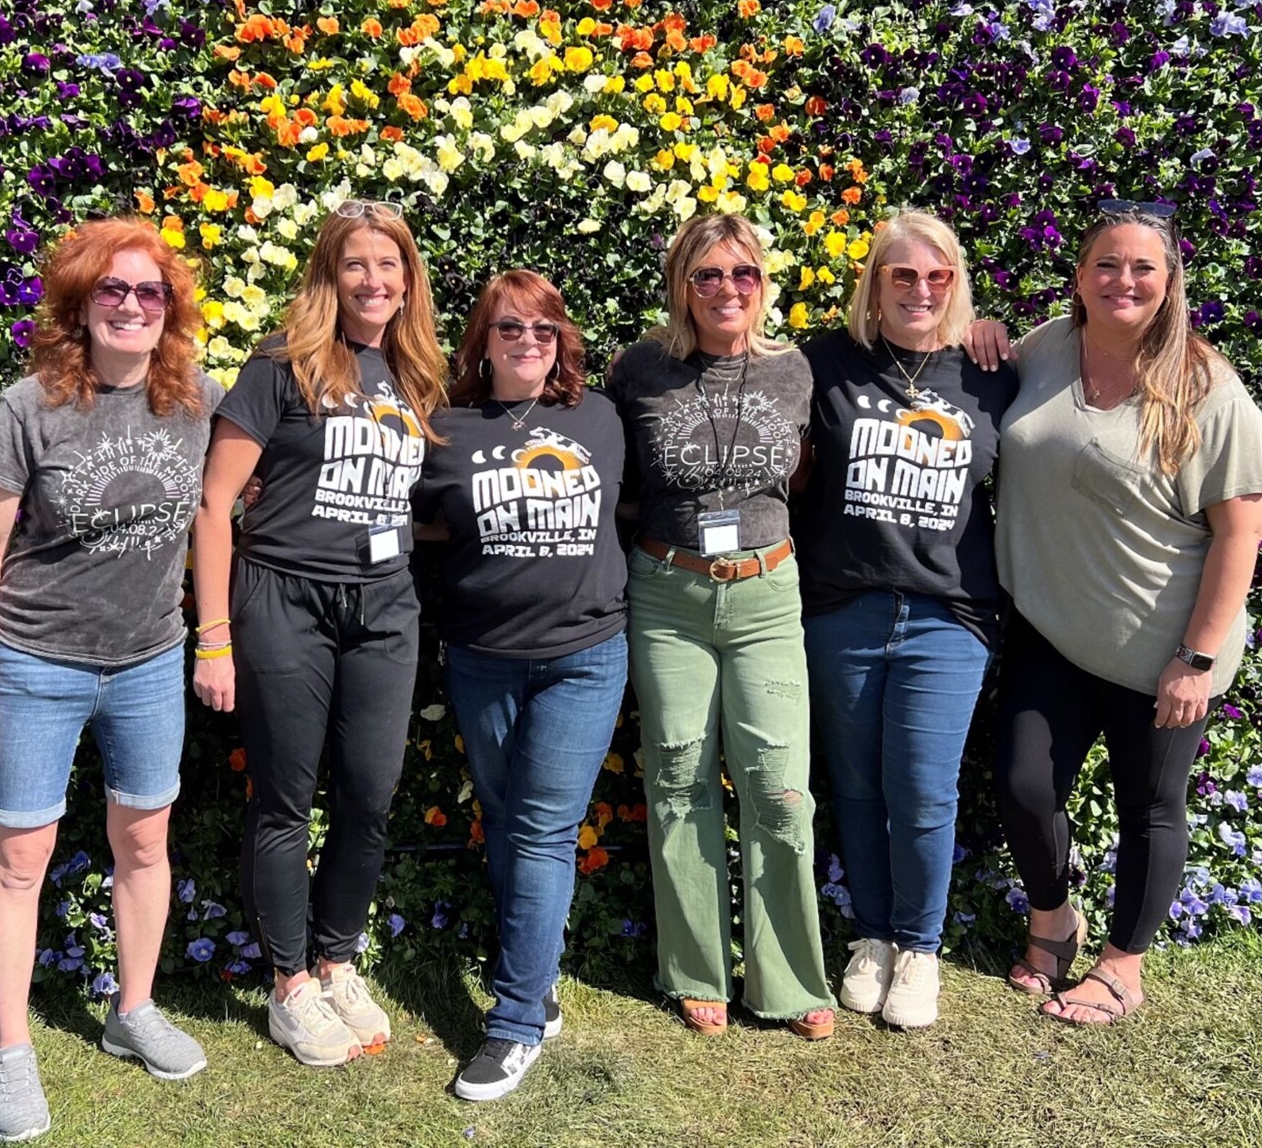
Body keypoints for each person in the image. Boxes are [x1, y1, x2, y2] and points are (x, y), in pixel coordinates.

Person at [0, 217, 220, 1142]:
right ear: (80, 304)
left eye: (150, 292)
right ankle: (12, 1050)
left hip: (149, 659)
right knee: (17, 860)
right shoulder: (31, 406)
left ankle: (131, 1010)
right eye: (113, 290)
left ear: (170, 309)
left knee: (145, 845)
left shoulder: (195, 400)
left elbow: (235, 499)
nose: (133, 306)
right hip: (34, 665)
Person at [990, 203, 1262, 1024]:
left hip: (1165, 648)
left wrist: (1199, 658)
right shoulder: (1046, 347)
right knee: (1023, 784)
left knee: (1150, 806)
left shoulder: (1208, 390)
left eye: (1143, 267)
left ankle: (1122, 967)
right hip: (1053, 630)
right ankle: (1053, 919)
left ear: (1170, 282)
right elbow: (986, 367)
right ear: (1078, 276)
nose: (1123, 280)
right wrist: (986, 331)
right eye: (1106, 263)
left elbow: (1243, 532)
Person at [191, 197, 445, 1065]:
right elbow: (215, 503)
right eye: (355, 265)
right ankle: (290, 985)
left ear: (408, 278)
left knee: (370, 798)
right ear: (328, 275)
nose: (374, 281)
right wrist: (214, 636)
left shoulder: (414, 374)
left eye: (389, 264)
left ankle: (337, 962)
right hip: (285, 601)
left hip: (384, 609)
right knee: (286, 804)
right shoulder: (281, 365)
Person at [607, 213, 834, 1039]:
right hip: (669, 594)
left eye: (741, 273)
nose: (725, 290)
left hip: (767, 594)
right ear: (681, 285)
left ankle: (789, 979)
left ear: (761, 282)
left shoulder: (796, 369)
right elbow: (616, 479)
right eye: (706, 275)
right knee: (677, 776)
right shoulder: (639, 370)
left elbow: (806, 472)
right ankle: (695, 967)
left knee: (779, 788)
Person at [794, 210, 1018, 1029]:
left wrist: (988, 329)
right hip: (843, 607)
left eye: (938, 276)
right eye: (902, 275)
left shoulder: (992, 370)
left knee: (923, 790)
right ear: (874, 284)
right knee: (853, 784)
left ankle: (921, 950)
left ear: (955, 283)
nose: (920, 290)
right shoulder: (824, 362)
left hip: (947, 617)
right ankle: (874, 936)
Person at [413, 270, 628, 1100]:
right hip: (483, 656)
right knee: (504, 817)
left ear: (561, 338)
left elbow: (638, 505)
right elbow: (416, 517)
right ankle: (535, 986)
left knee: (540, 829)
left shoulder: (601, 418)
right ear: (484, 340)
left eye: (543, 330)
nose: (528, 343)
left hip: (585, 654)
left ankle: (511, 1023)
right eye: (510, 330)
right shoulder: (447, 426)